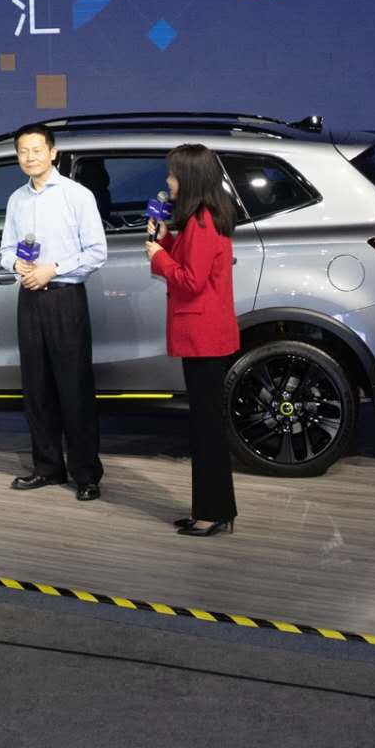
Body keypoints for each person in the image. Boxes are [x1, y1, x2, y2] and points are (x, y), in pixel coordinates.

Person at [0, 123, 108, 501]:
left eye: (36, 150)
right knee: (37, 388)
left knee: (74, 388)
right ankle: (47, 467)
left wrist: (53, 270)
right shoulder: (16, 200)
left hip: (65, 299)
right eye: (23, 151)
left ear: (52, 153)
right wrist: (17, 265)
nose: (29, 157)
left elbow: (96, 252)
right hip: (29, 299)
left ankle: (86, 474)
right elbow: (6, 249)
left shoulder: (77, 196)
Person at [145, 144, 241, 537]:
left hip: (203, 338)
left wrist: (157, 256)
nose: (169, 182)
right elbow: (191, 263)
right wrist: (166, 241)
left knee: (207, 429)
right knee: (205, 427)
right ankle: (211, 509)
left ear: (189, 178)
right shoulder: (202, 219)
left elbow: (189, 280)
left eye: (173, 174)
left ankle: (213, 512)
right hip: (206, 337)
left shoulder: (202, 222)